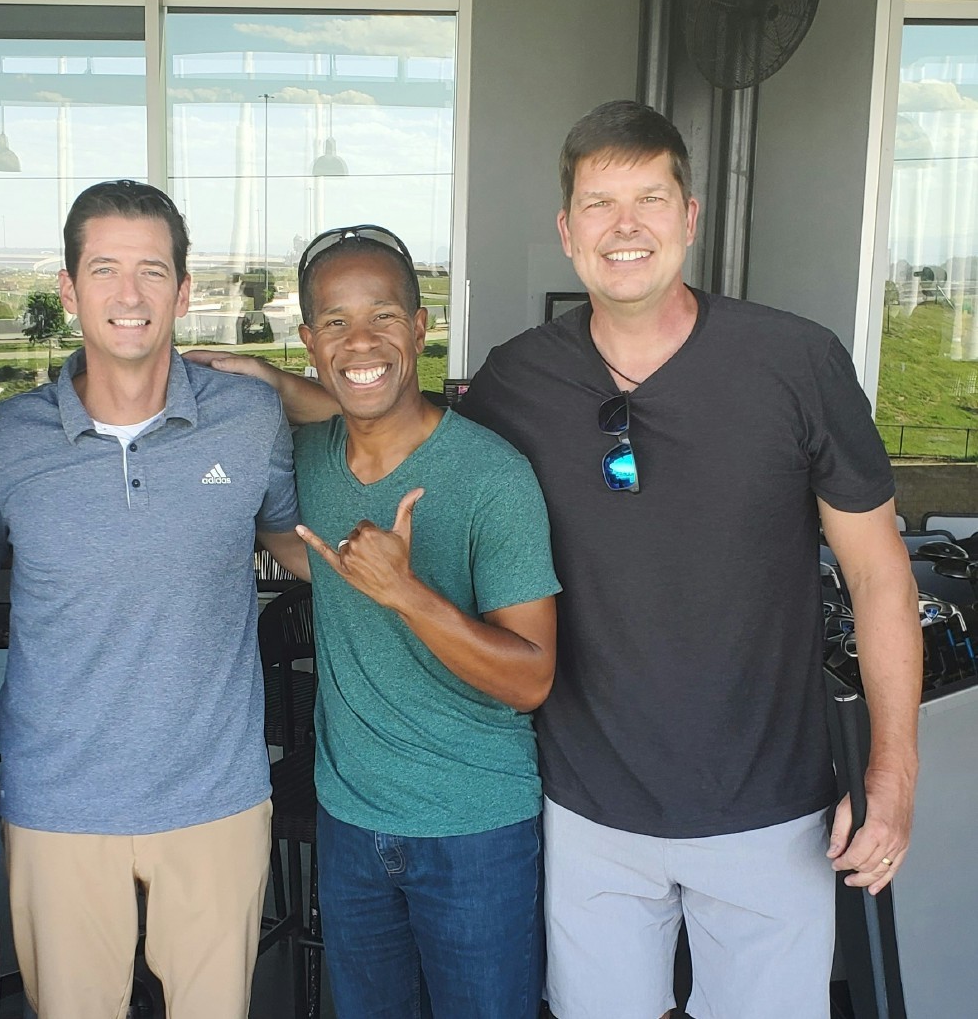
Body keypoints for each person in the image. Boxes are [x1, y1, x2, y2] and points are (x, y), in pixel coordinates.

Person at [193, 101, 921, 1019]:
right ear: (566, 231)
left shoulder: (796, 361)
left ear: (689, 217)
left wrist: (892, 774)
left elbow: (882, 573)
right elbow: (396, 416)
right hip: (586, 805)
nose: (626, 226)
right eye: (600, 203)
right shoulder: (520, 377)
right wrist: (270, 388)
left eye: (650, 199)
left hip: (770, 806)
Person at [0, 180, 304, 1018]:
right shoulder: (5, 441)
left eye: (152, 270)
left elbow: (298, 545)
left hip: (215, 795)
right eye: (106, 269)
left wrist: (411, 568)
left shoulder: (249, 415)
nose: (129, 294)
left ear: (184, 292)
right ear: (68, 289)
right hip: (59, 800)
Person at [285, 225, 559, 1016]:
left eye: (382, 316)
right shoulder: (309, 459)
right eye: (334, 321)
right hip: (350, 823)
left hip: (475, 829)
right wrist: (245, 377)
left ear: (419, 327)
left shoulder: (491, 476)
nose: (359, 339)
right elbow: (292, 542)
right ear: (309, 340)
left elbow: (532, 678)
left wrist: (406, 591)